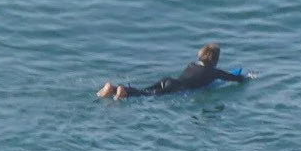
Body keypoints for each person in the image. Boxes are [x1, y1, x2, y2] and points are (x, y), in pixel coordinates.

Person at [97, 44, 248, 99]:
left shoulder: (191, 64)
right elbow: (234, 78)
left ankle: (113, 88)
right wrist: (247, 77)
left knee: (145, 90)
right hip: (178, 87)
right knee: (148, 96)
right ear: (215, 60)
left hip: (169, 80)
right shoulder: (213, 72)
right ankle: (122, 91)